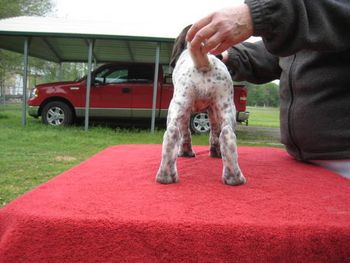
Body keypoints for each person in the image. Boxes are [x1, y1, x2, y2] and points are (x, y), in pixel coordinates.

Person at [186, 0, 350, 179]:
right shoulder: (299, 33)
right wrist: (222, 58)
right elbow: (276, 57)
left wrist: (259, 13)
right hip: (301, 162)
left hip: (344, 164)